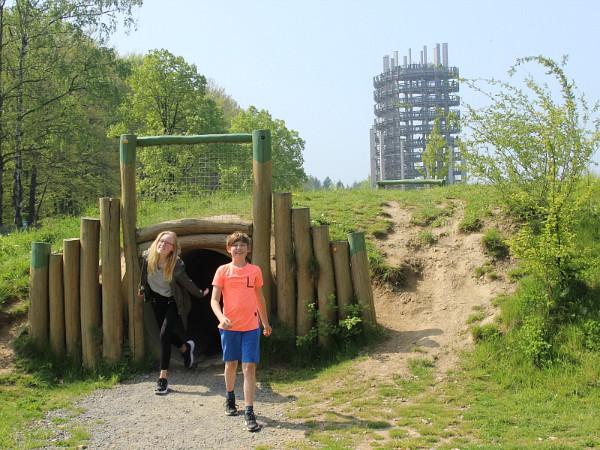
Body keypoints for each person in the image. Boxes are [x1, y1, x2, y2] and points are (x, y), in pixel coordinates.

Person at [210, 231, 272, 432]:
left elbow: (259, 299)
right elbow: (213, 300)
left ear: (248, 249)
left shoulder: (255, 271)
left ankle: (249, 411)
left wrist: (266, 323)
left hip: (251, 327)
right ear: (228, 249)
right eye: (234, 245)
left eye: (242, 245)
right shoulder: (222, 271)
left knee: (249, 368)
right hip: (229, 328)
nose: (239, 248)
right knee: (230, 365)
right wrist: (222, 318)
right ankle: (229, 397)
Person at [139, 231, 209, 395]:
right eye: (161, 241)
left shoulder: (176, 265)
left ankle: (162, 378)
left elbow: (187, 282)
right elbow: (143, 275)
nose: (163, 244)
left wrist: (200, 293)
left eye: (167, 243)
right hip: (157, 300)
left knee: (164, 335)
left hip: (173, 302)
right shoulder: (148, 256)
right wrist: (142, 288)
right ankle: (186, 349)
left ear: (173, 248)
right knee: (167, 335)